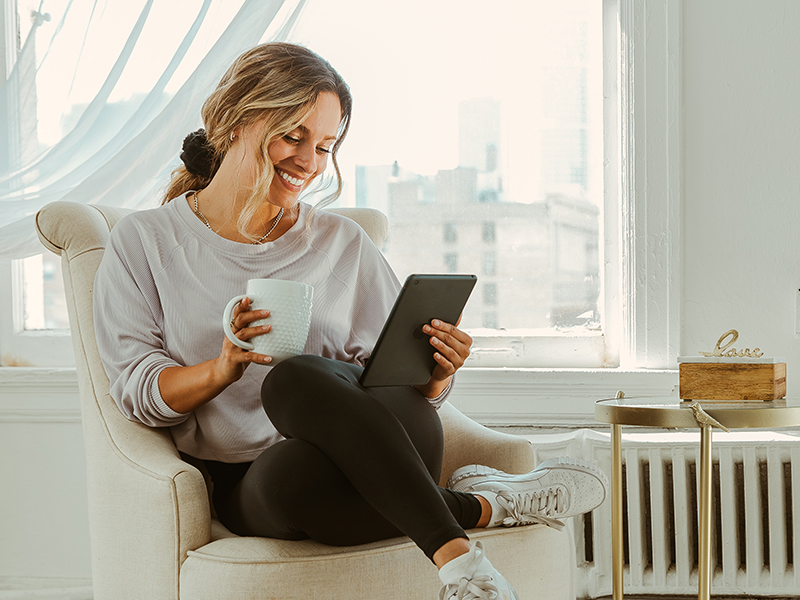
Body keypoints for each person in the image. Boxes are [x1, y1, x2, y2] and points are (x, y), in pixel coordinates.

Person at [93, 42, 608, 599]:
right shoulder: (145, 242)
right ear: (236, 120)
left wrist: (435, 375)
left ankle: (463, 570)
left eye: (325, 145)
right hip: (256, 477)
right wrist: (222, 368)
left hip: (388, 440)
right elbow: (136, 390)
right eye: (294, 136)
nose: (310, 162)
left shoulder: (341, 242)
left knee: (296, 377)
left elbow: (396, 386)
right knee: (297, 475)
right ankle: (482, 505)